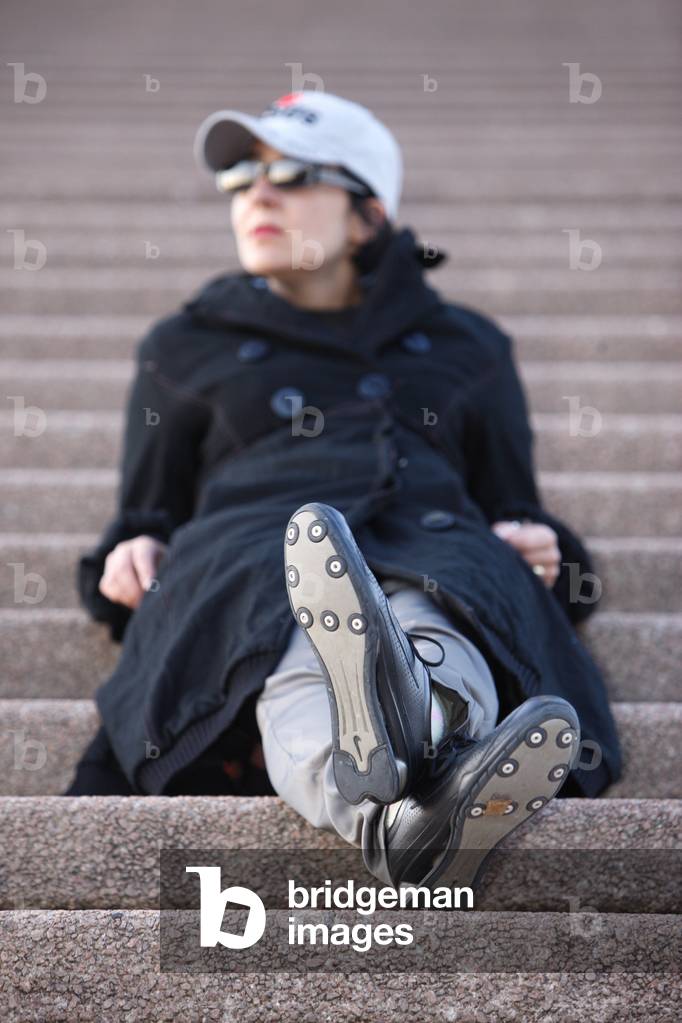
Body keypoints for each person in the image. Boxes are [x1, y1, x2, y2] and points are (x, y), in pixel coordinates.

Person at [67, 90, 622, 890]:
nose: (256, 195)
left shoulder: (470, 345)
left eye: (291, 174)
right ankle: (436, 770)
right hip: (249, 553)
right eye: (239, 179)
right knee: (301, 621)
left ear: (367, 213)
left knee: (421, 605)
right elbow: (144, 508)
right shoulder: (183, 345)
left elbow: (515, 500)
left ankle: (398, 804)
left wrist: (541, 543)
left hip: (437, 541)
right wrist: (131, 548)